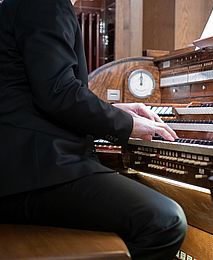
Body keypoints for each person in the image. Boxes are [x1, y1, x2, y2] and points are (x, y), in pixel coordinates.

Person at [0, 0, 187, 259]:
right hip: (35, 175)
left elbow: (36, 90)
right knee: (165, 221)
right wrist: (128, 125)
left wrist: (118, 110)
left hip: (24, 169)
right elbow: (58, 94)